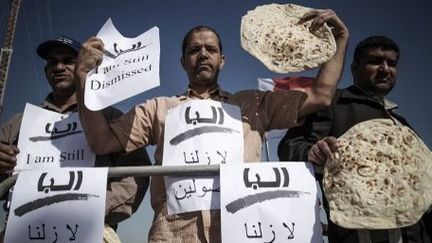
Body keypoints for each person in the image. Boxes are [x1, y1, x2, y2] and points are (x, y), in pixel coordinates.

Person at [74, 8, 348, 242]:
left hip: (239, 232)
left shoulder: (253, 104)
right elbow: (101, 141)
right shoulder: (158, 108)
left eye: (211, 49)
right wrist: (83, 76)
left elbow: (321, 96)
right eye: (194, 50)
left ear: (222, 60)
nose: (203, 54)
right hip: (171, 234)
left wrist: (339, 39)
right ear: (183, 62)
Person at [278, 35, 431, 242]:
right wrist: (312, 152)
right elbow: (290, 146)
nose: (385, 69)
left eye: (392, 64)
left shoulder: (401, 123)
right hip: (360, 235)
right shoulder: (333, 104)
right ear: (354, 67)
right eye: (375, 61)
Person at [0, 36, 152, 242]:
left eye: (68, 61)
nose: (59, 67)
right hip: (24, 229)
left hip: (90, 230)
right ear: (46, 70)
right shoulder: (18, 123)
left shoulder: (110, 118)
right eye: (52, 62)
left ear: (84, 65)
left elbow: (136, 174)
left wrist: (95, 206)